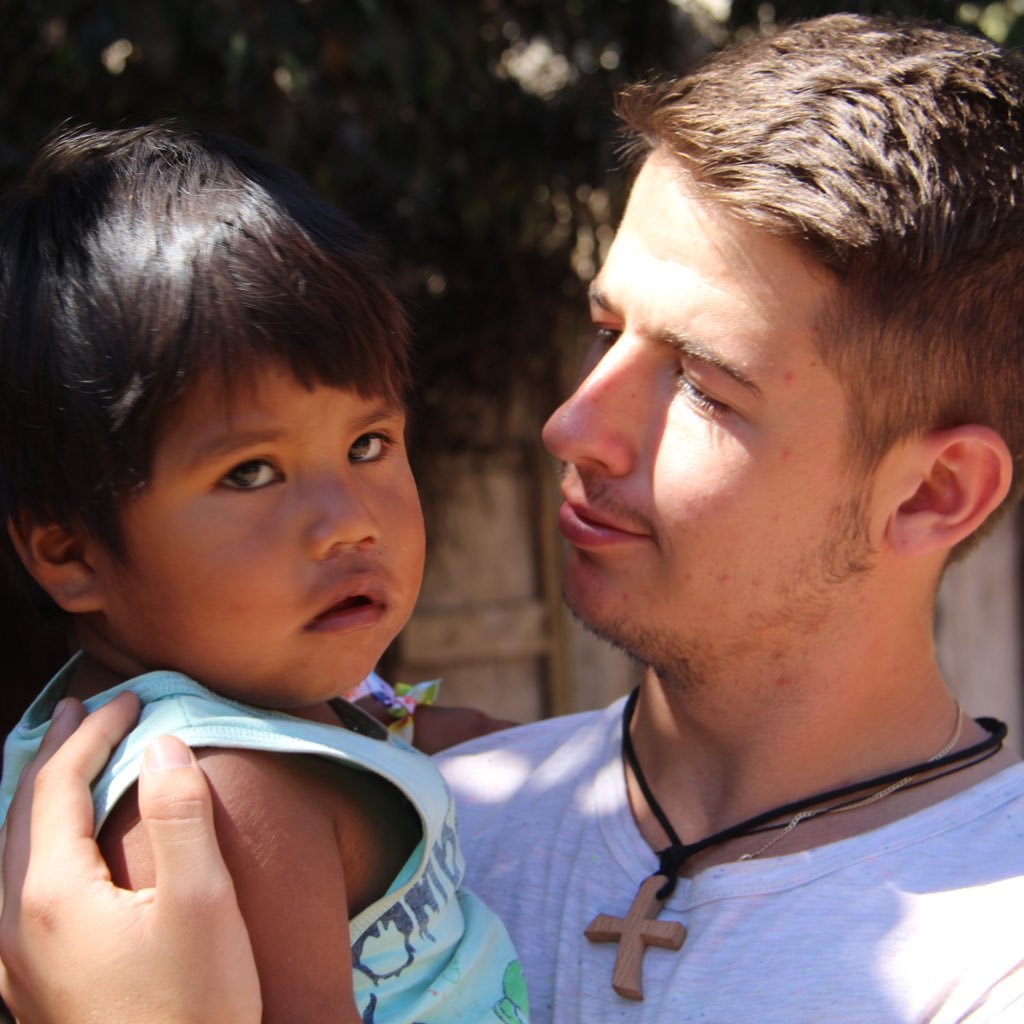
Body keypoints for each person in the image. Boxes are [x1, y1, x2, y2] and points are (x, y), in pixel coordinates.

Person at [3, 12, 1024, 1022]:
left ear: (933, 493)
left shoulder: (988, 962)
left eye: (704, 386)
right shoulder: (389, 804)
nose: (571, 423)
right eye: (601, 329)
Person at [0, 125, 524, 1023]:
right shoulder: (214, 796)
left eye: (368, 444)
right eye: (251, 472)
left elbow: (383, 729)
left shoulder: (246, 698)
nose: (350, 522)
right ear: (70, 552)